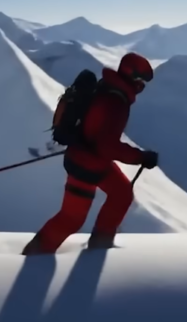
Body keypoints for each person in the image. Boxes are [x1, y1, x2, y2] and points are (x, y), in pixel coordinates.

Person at [22, 52, 159, 255]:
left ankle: (100, 246)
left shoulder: (108, 88)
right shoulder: (115, 102)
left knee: (121, 193)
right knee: (71, 219)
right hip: (85, 165)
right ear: (131, 76)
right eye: (141, 79)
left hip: (93, 158)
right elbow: (108, 146)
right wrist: (141, 157)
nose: (142, 85)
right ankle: (33, 256)